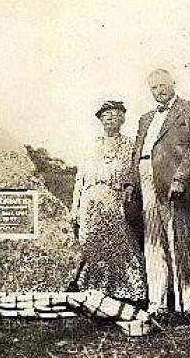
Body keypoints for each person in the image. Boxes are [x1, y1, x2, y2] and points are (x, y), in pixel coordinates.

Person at [132, 69, 190, 315]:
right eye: (153, 88)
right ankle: (156, 303)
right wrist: (132, 183)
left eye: (162, 85)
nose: (158, 91)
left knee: (177, 240)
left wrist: (181, 178)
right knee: (152, 241)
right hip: (146, 180)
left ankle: (185, 304)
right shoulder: (145, 118)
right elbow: (137, 152)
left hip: (172, 184)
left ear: (173, 83)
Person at [71, 100, 147, 303]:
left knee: (119, 243)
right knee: (91, 242)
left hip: (114, 198)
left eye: (114, 115)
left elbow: (134, 171)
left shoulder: (129, 144)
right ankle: (91, 287)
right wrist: (75, 206)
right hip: (90, 200)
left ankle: (125, 289)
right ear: (100, 119)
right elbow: (80, 177)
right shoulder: (92, 144)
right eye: (105, 115)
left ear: (122, 119)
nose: (110, 119)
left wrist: (130, 187)